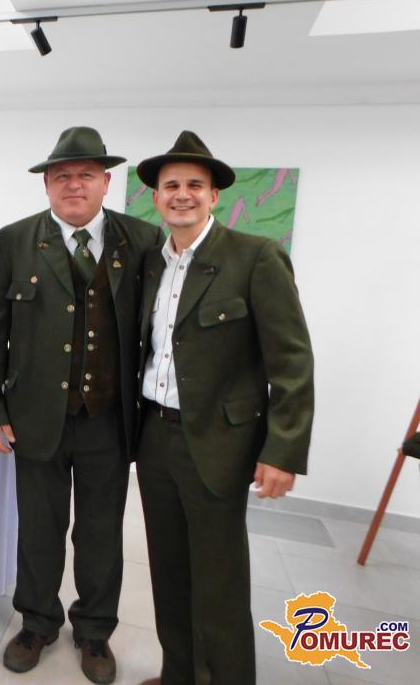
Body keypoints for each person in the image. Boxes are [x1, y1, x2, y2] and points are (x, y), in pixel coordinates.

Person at [0, 127, 163, 684]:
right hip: (34, 417)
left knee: (101, 533)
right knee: (39, 529)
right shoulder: (11, 242)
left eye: (85, 175)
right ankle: (37, 623)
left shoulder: (143, 240)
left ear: (105, 181)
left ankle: (95, 630)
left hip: (110, 418)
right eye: (62, 176)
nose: (73, 184)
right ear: (46, 185)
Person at [133, 131, 314, 685]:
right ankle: (178, 674)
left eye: (195, 184)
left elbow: (291, 361)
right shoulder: (152, 262)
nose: (181, 194)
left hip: (217, 442)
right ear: (156, 197)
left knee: (218, 581)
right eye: (171, 185)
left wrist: (282, 450)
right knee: (168, 572)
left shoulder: (255, 257)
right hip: (155, 438)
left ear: (214, 196)